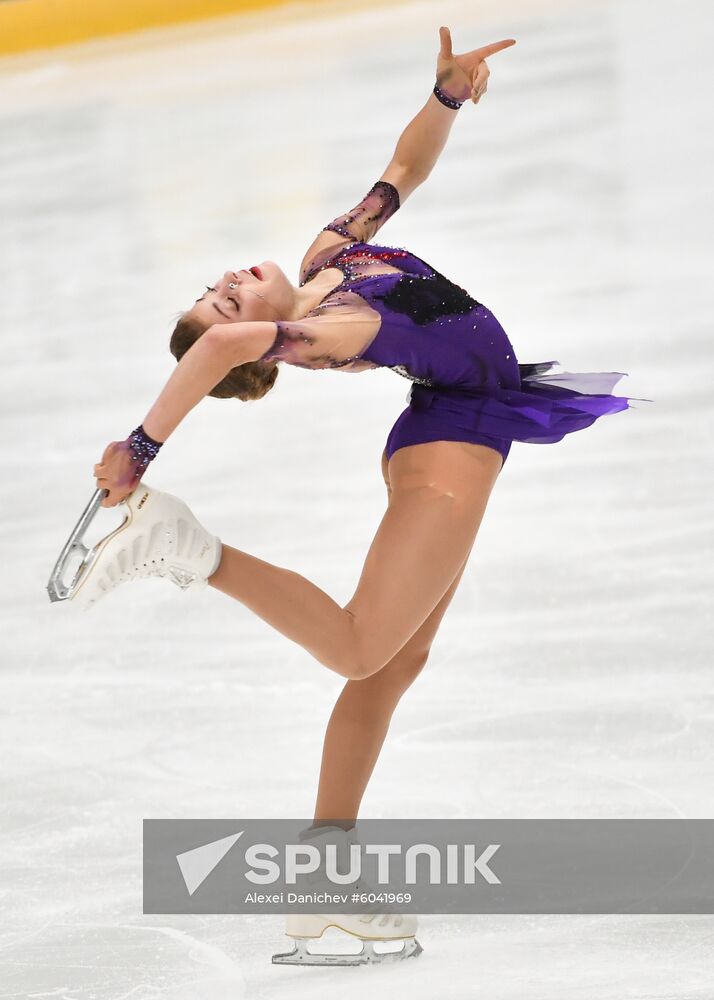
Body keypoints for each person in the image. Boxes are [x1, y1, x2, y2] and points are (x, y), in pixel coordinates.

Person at [84, 28, 648, 964]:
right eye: (224, 301)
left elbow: (402, 169)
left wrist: (448, 97)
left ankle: (323, 885)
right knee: (358, 649)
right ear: (262, 338)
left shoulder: (331, 258)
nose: (226, 284)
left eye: (215, 288)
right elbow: (223, 349)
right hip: (449, 449)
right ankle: (193, 550)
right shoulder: (324, 330)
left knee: (392, 668)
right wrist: (143, 448)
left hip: (451, 432)